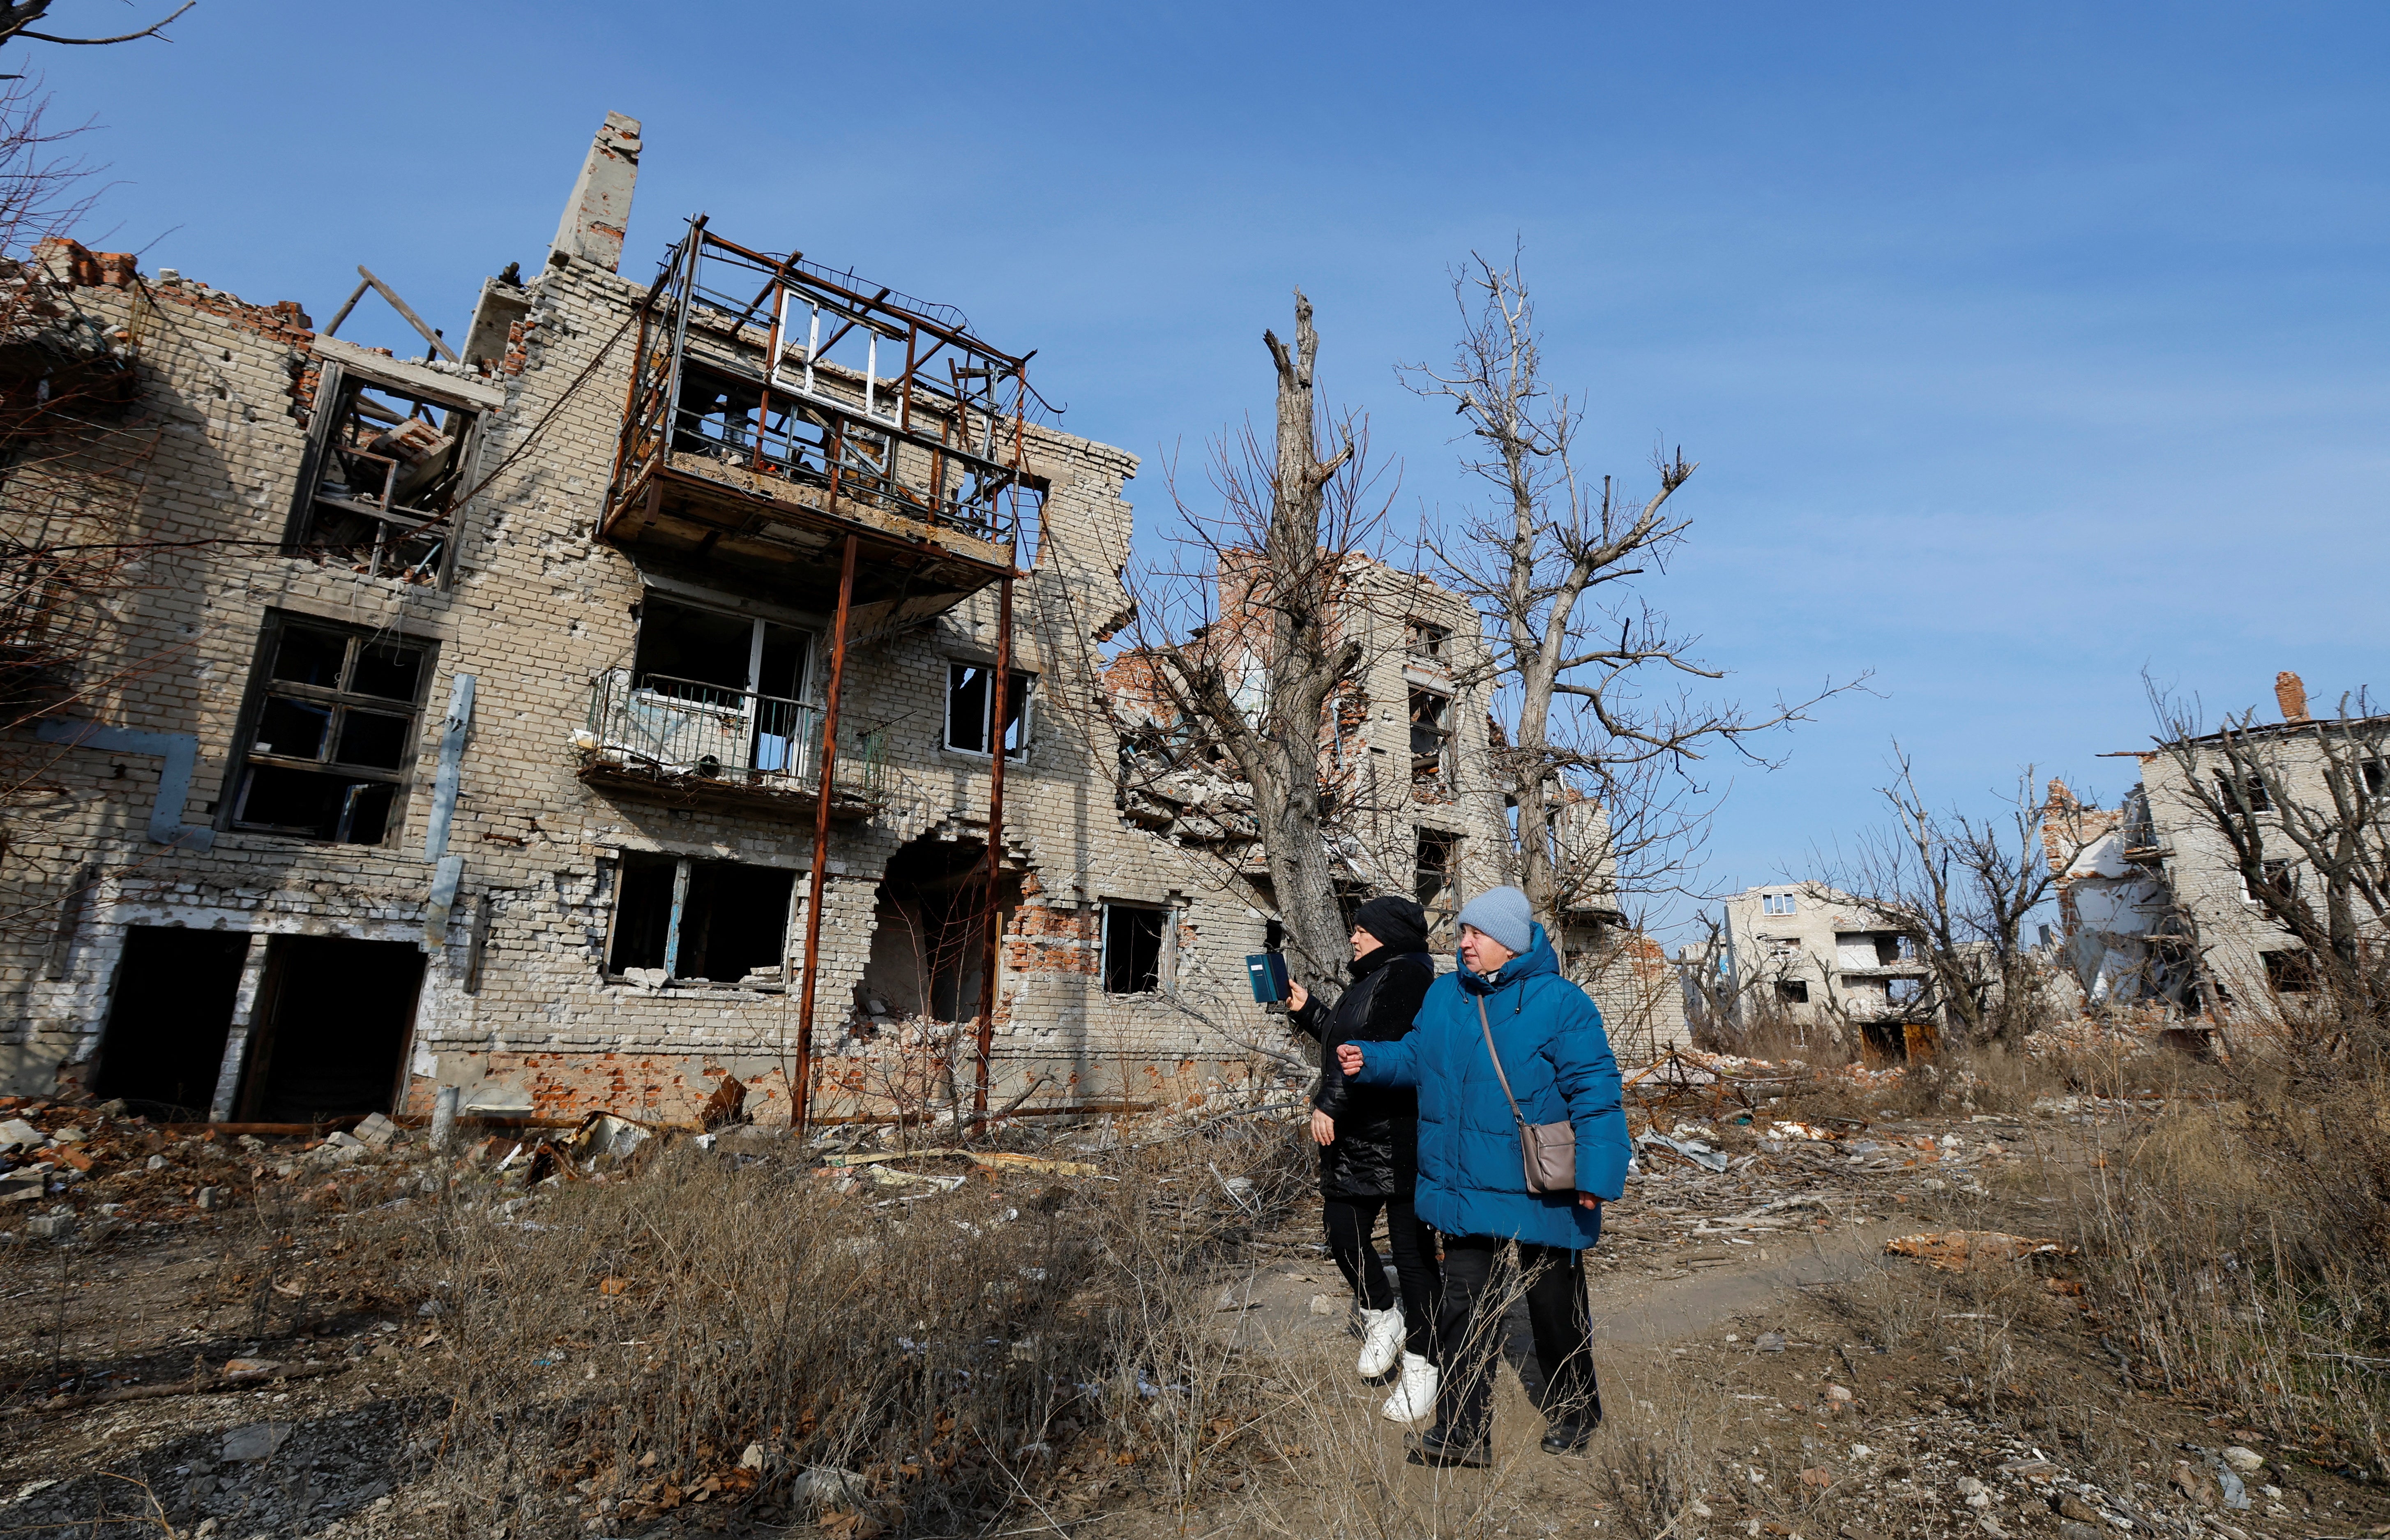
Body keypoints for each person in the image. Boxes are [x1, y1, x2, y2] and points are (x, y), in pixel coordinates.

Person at [1338, 885, 1627, 1466]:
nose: (1463, 942)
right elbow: (1418, 1057)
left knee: (1554, 1314)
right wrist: (1373, 1060)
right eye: (1463, 932)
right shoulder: (1445, 996)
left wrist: (1597, 1174)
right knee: (1462, 1313)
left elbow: (1595, 1095)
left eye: (1476, 933)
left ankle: (1576, 1408)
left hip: (1543, 1190)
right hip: (1465, 1184)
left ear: (1511, 943)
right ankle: (1462, 1435)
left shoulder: (1561, 1003)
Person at [1284, 895, 1442, 1422]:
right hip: (1359, 1140)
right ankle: (1382, 1315)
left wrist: (1329, 1103)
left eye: (1361, 929)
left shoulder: (1407, 978)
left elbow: (1375, 1050)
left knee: (1414, 1257)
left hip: (1396, 1138)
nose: (1353, 937)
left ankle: (1425, 1364)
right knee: (1341, 1232)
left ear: (1388, 934)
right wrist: (1309, 1010)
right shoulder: (1374, 976)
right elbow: (1346, 1039)